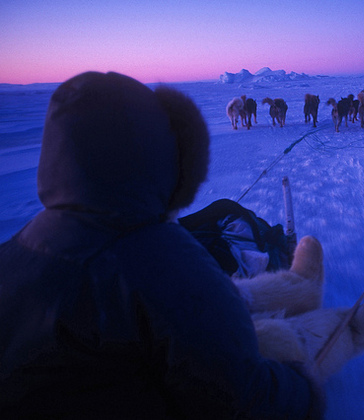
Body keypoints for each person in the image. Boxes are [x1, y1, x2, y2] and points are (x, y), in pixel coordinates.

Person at [0, 71, 324, 419]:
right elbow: (239, 395)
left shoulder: (13, 252)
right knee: (274, 340)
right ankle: (304, 304)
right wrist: (303, 389)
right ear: (169, 157)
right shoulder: (165, 264)